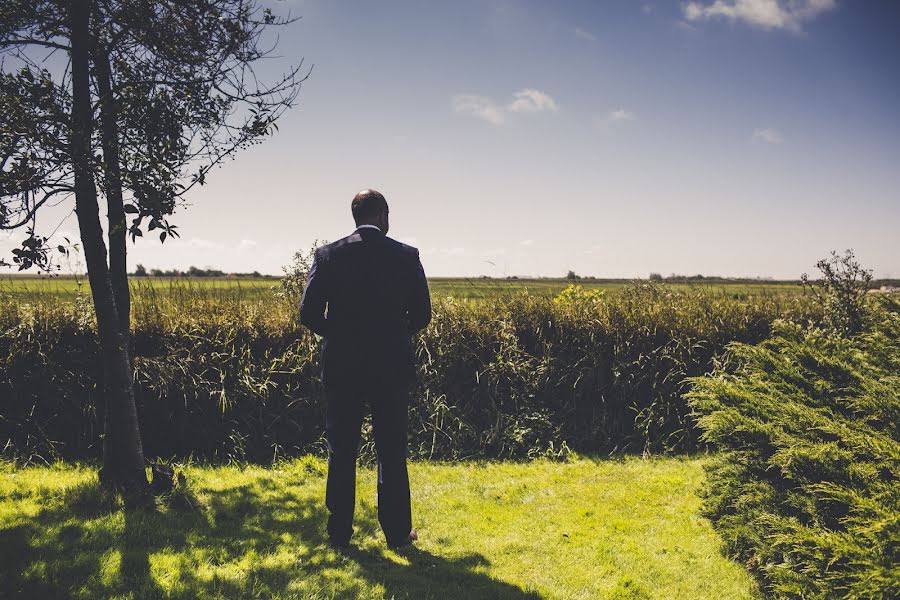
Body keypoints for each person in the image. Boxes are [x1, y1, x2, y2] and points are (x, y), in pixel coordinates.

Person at [299, 189, 432, 549]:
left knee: (342, 450)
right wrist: (392, 333)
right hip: (390, 366)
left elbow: (308, 314)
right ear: (384, 215)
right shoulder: (405, 256)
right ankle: (398, 534)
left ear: (355, 216)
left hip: (343, 366)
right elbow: (422, 315)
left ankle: (339, 535)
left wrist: (340, 334)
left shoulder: (328, 256)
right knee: (391, 449)